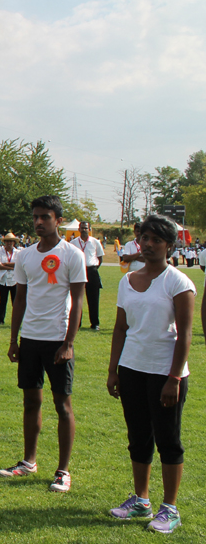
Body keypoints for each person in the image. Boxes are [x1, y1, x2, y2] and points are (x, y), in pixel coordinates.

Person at [106, 214, 194, 534]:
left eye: (157, 239)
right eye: (145, 237)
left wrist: (173, 378)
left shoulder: (178, 282)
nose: (149, 244)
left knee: (168, 440)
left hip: (164, 373)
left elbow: (184, 334)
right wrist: (113, 370)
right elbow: (120, 328)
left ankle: (170, 508)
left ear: (170, 245)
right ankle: (141, 500)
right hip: (132, 369)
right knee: (138, 437)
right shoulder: (127, 280)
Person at [0, 195, 86, 492]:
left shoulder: (72, 255)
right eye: (35, 217)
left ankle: (63, 471)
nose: (38, 222)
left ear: (58, 220)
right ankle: (29, 461)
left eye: (45, 217)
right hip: (30, 339)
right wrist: (14, 339)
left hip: (58, 341)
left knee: (63, 405)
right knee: (30, 401)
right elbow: (20, 299)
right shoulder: (25, 256)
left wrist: (69, 342)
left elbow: (78, 301)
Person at [70, 221, 104, 331]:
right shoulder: (73, 243)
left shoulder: (95, 242)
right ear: (78, 229)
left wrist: (93, 268)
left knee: (93, 299)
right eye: (82, 228)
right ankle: (77, 323)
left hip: (92, 271)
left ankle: (95, 323)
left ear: (89, 229)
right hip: (78, 271)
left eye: (86, 228)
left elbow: (100, 258)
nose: (84, 230)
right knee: (76, 298)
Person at [0, 233, 20, 325]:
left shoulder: (18, 252)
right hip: (3, 279)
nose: (9, 243)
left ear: (14, 242)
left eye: (10, 241)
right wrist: (11, 267)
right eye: (7, 241)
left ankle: (16, 320)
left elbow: (19, 264)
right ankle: (0, 320)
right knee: (3, 300)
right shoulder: (0, 251)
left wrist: (5, 264)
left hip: (14, 280)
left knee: (15, 301)